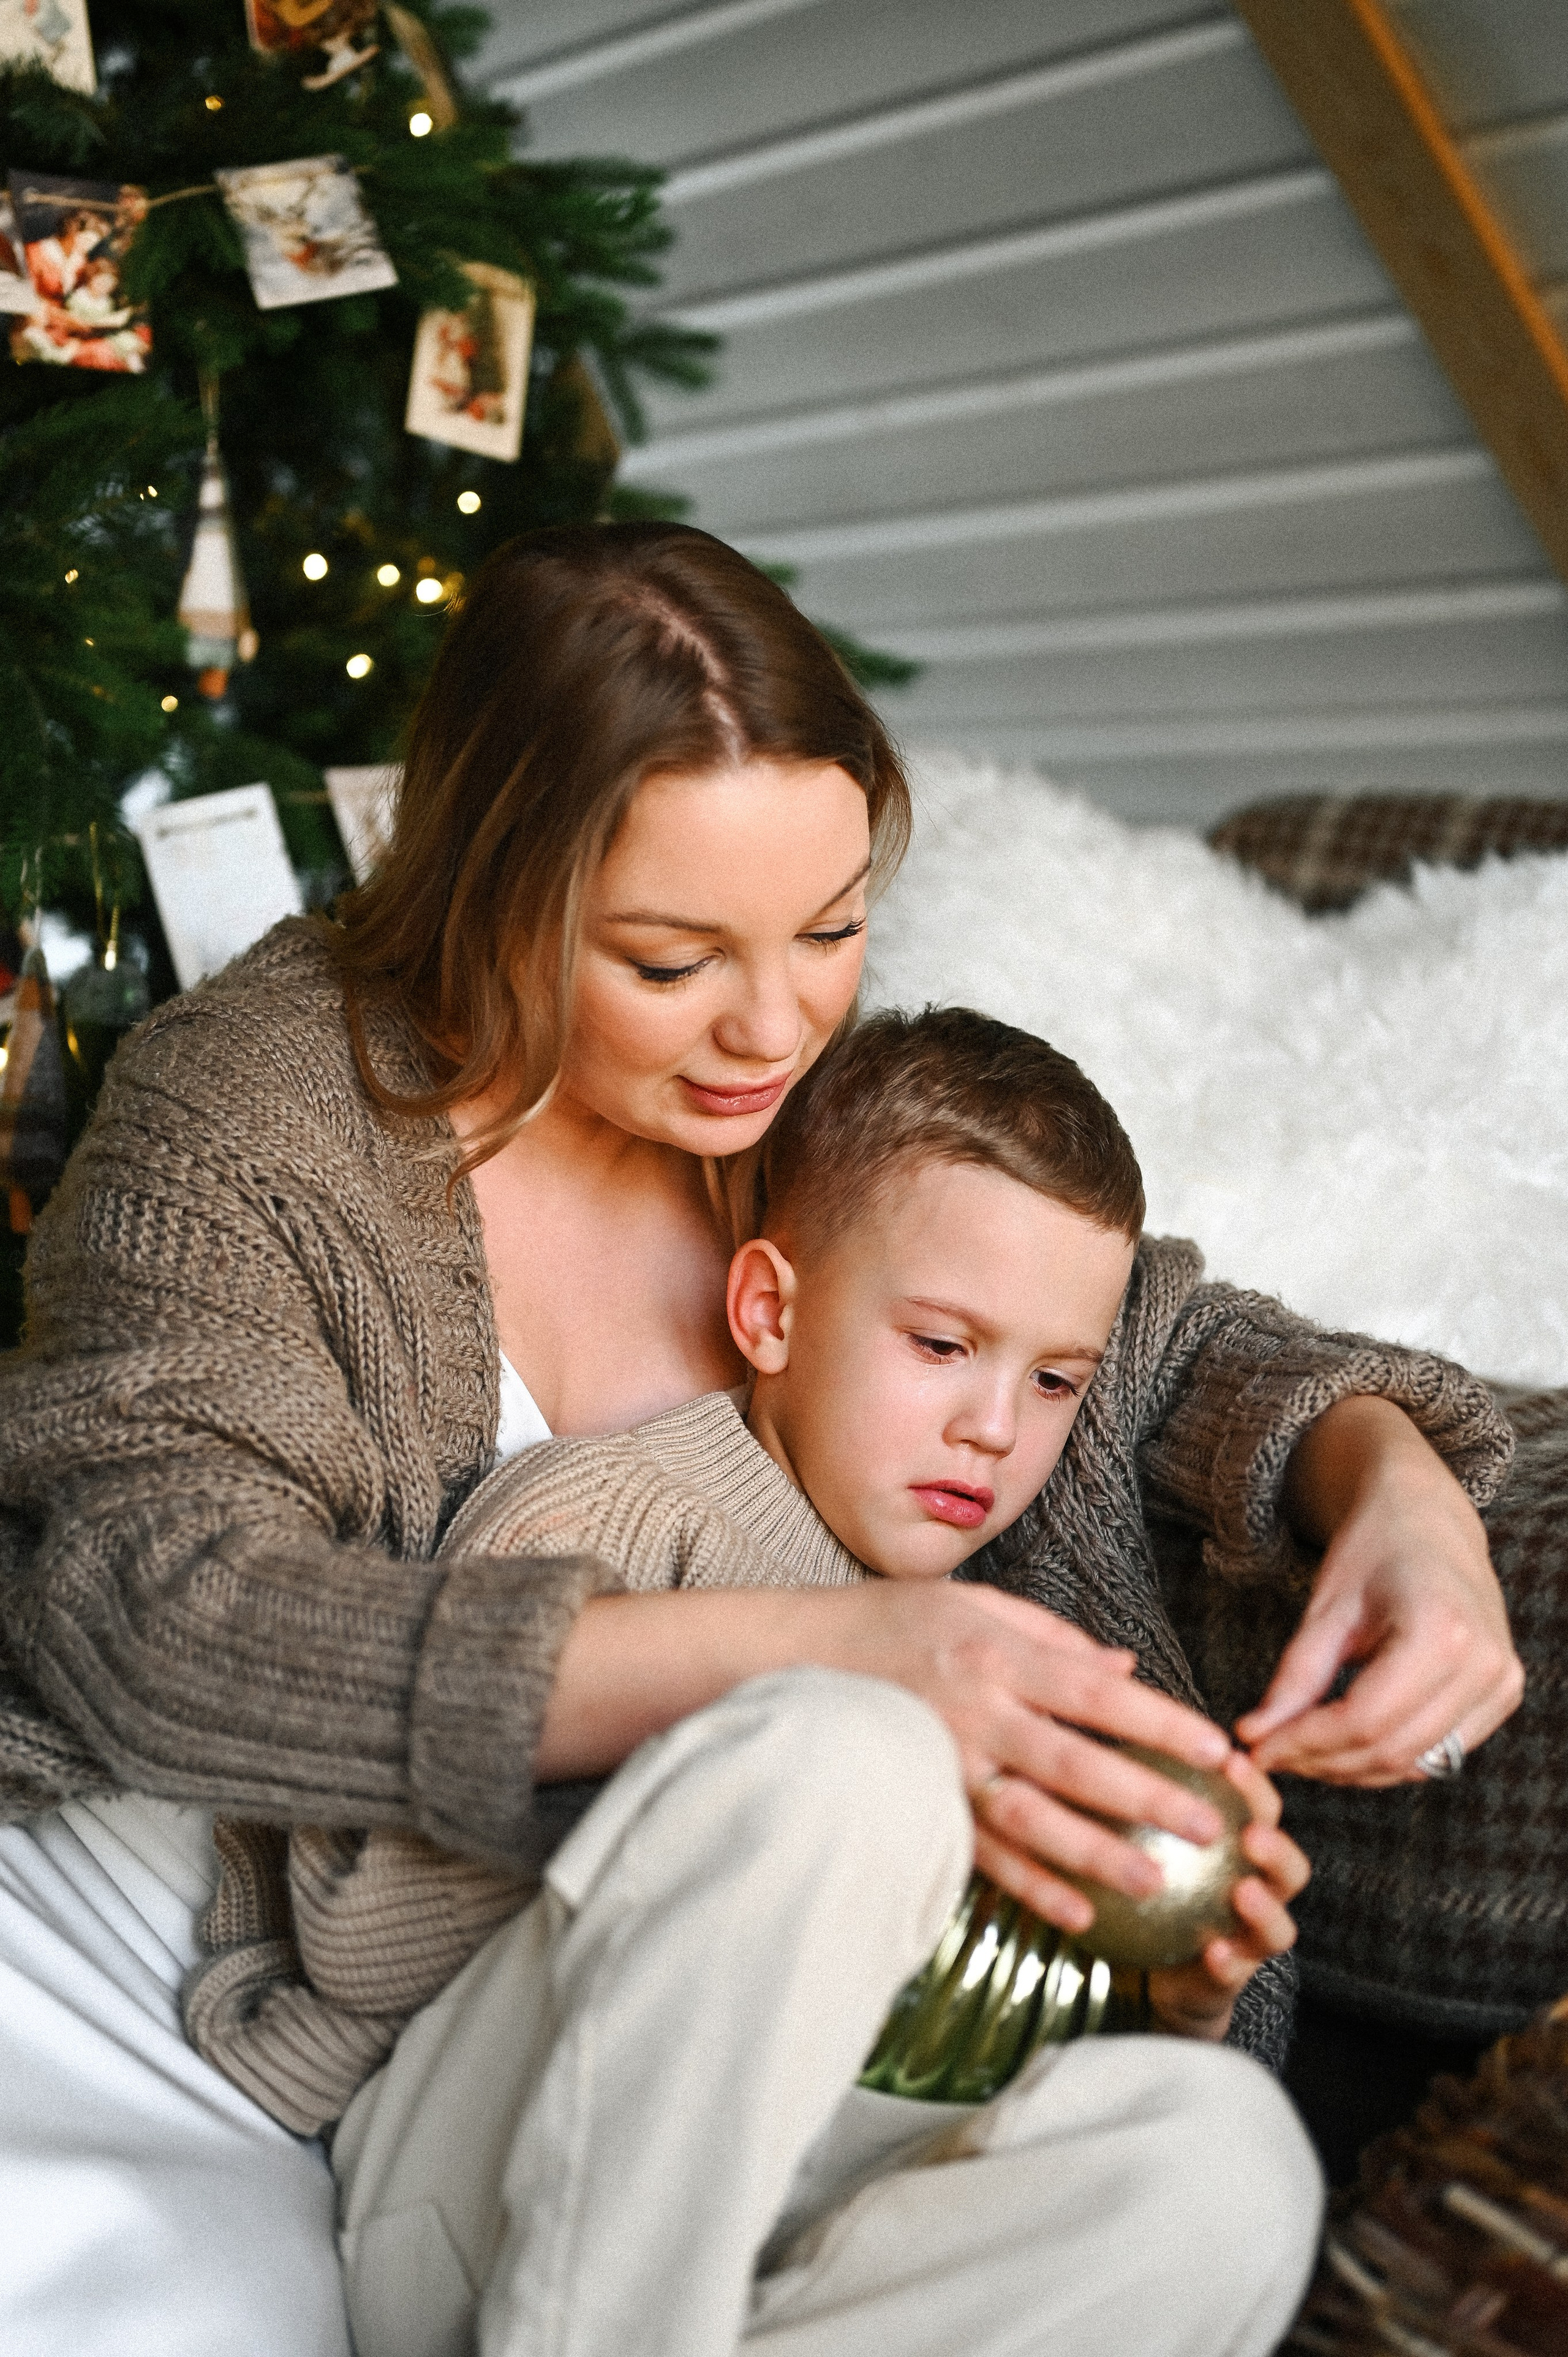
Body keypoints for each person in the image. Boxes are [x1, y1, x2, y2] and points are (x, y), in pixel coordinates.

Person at [0, 522, 1521, 2357]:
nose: (779, 1020)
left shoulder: (792, 1108)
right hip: (190, 1978)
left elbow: (1133, 1330)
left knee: (1219, 2171)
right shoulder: (250, 1121)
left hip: (663, 2052)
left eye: (831, 927)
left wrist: (1397, 1481)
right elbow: (152, 1618)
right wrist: (843, 1650)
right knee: (840, 1760)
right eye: (671, 957)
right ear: (485, 887)